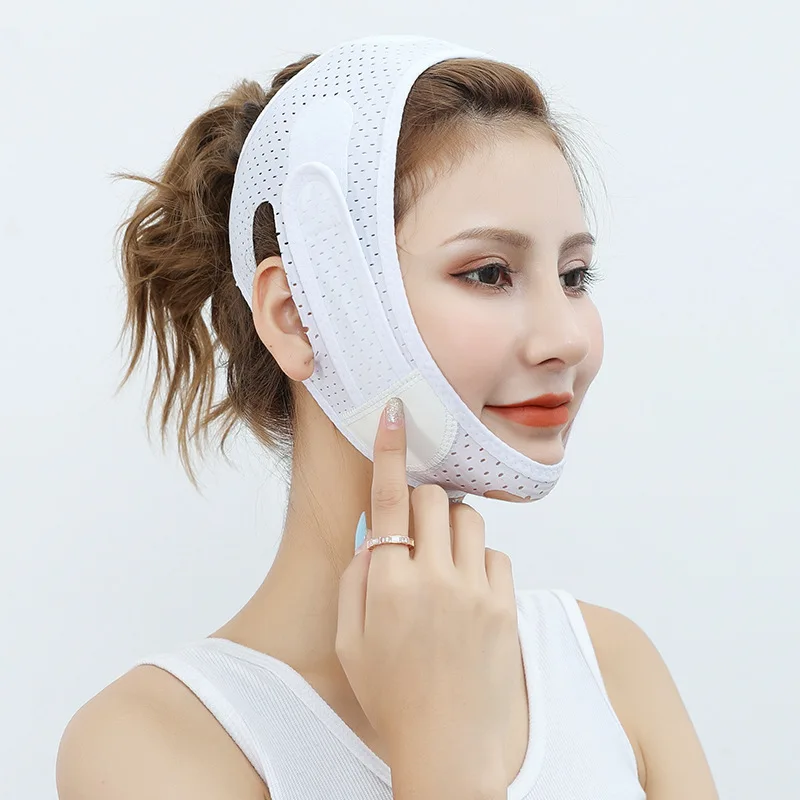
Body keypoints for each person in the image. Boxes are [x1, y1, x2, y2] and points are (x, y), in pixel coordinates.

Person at [56, 35, 719, 800]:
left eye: (574, 276)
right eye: (489, 272)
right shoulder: (152, 742)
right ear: (297, 316)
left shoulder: (611, 669)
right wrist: (442, 746)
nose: (568, 338)